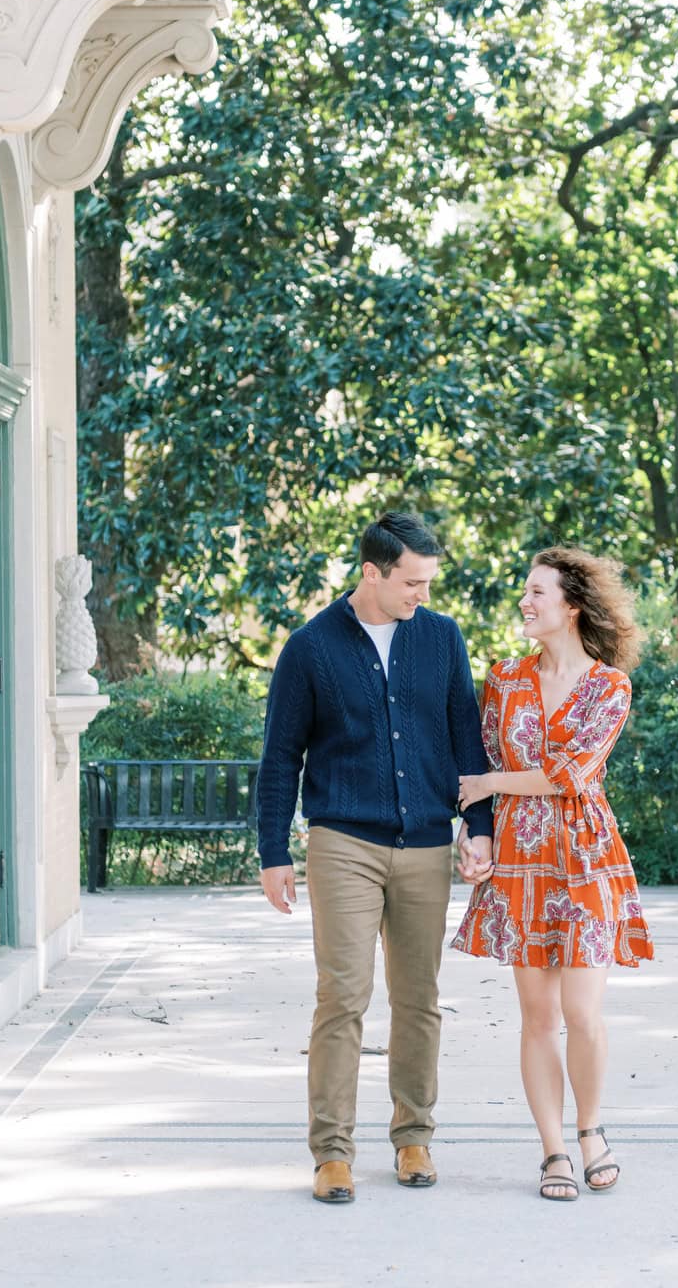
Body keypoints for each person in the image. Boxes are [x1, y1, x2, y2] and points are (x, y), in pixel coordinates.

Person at [256, 512, 497, 1205]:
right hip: (343, 844)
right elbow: (281, 755)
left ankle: (414, 1135)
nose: (422, 594)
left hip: (425, 843)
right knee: (343, 995)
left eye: (428, 582)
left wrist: (479, 826)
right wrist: (273, 851)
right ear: (372, 572)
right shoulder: (310, 647)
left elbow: (466, 737)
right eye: (411, 582)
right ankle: (332, 1152)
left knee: (419, 998)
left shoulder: (443, 638)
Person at [451, 546, 653, 1202]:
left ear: (571, 606)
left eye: (537, 591)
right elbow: (479, 761)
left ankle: (591, 1129)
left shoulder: (609, 686)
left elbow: (571, 774)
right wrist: (473, 833)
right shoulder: (504, 680)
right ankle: (554, 1149)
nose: (525, 601)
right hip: (519, 858)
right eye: (526, 590)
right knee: (538, 1016)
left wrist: (491, 783)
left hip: (586, 857)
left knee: (581, 1011)